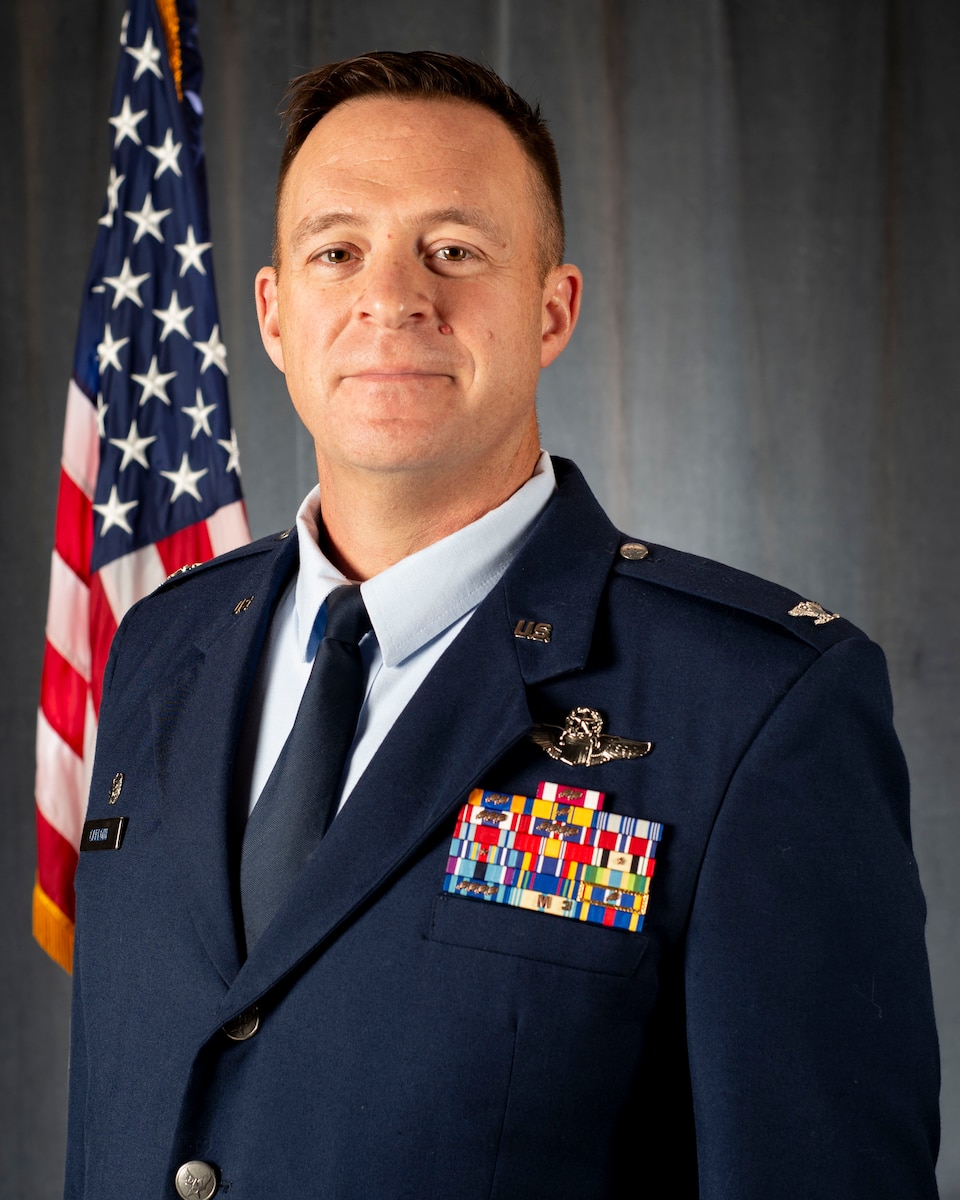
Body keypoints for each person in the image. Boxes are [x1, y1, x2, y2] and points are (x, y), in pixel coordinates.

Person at [65, 51, 940, 1199]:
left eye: (456, 250)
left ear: (552, 308)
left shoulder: (757, 705)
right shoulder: (159, 647)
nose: (394, 296)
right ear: (275, 317)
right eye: (338, 251)